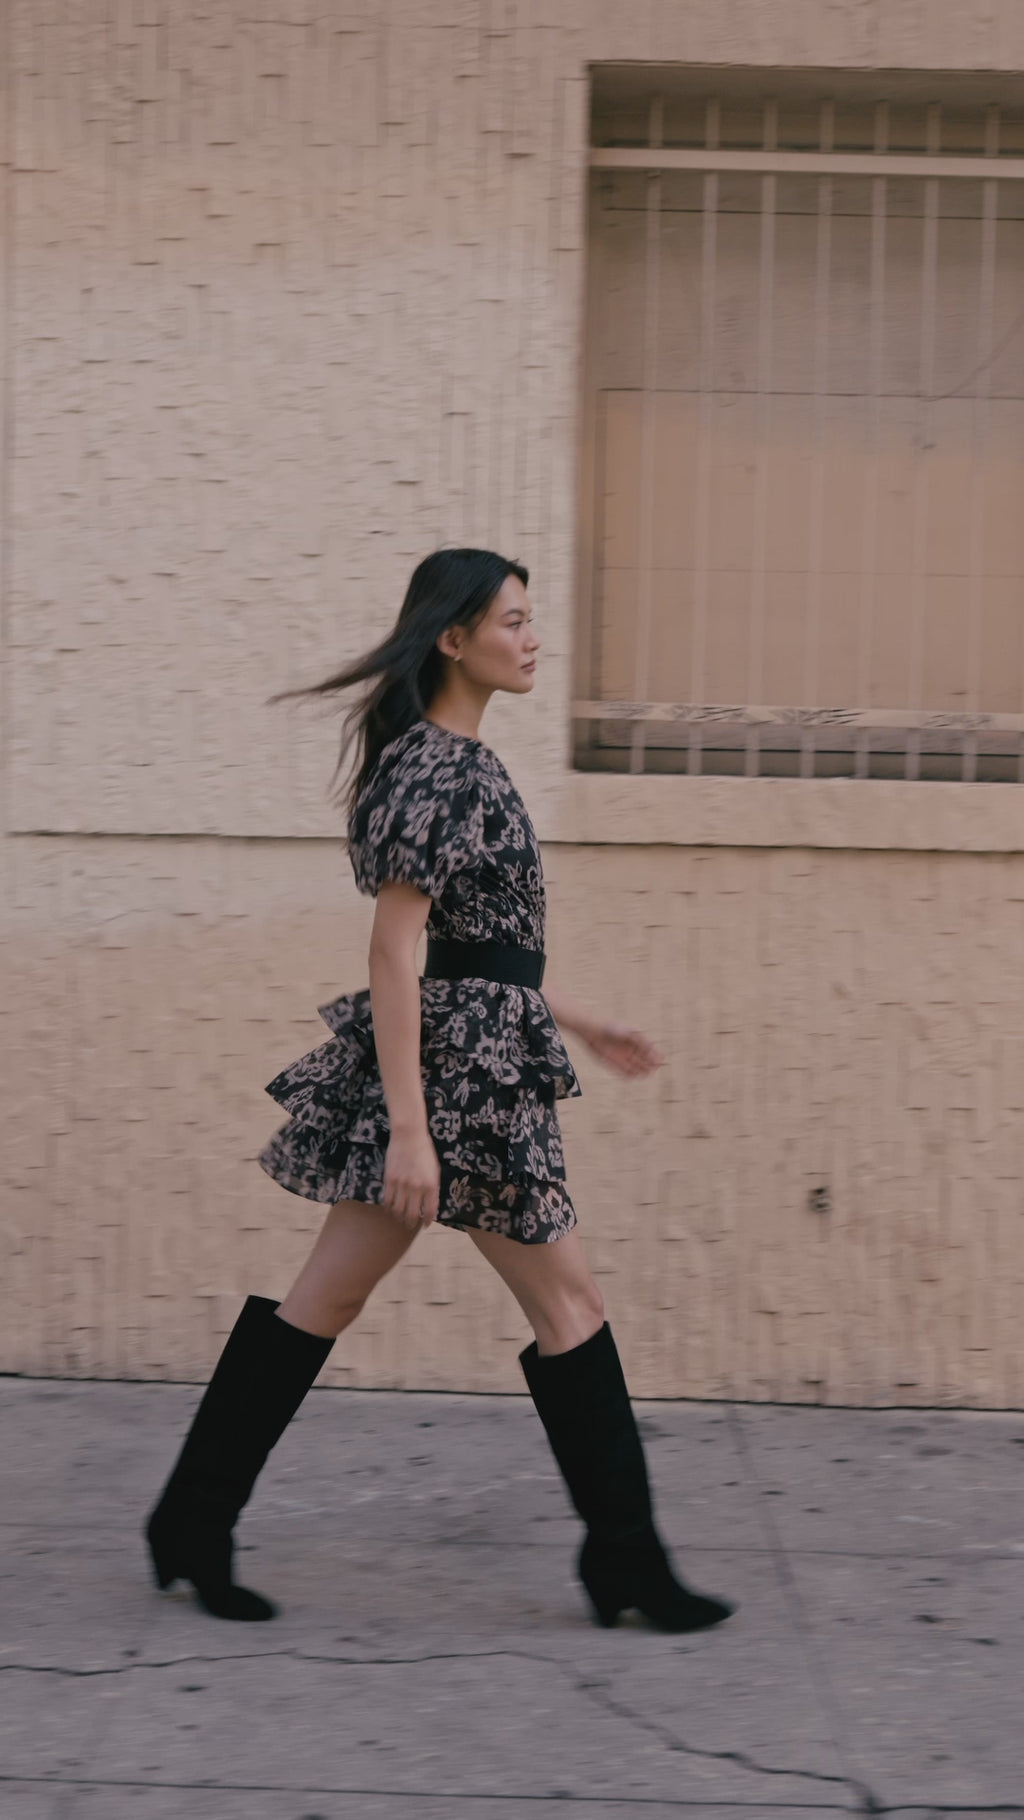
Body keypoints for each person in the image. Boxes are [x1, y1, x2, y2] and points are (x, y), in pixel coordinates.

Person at [144, 548, 735, 1635]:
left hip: (467, 1063)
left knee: (325, 1300)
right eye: (511, 620)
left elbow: (478, 955)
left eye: (530, 617)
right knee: (571, 1307)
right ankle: (627, 1561)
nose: (532, 637)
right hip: (464, 1092)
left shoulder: (447, 761)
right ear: (453, 640)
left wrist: (581, 1018)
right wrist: (411, 1131)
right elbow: (394, 952)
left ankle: (190, 1519)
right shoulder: (440, 769)